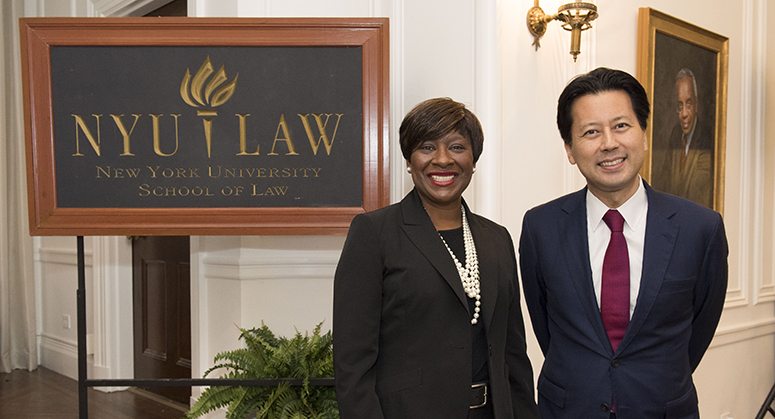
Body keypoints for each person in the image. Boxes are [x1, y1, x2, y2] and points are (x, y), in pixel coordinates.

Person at [519, 68, 728, 419]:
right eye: (590, 132)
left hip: (663, 409)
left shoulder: (700, 228)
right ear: (570, 149)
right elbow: (547, 326)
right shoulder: (541, 227)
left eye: (621, 126)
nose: (609, 143)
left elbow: (699, 328)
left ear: (644, 135)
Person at [333, 97, 539, 419]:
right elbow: (352, 365)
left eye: (457, 147)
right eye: (427, 147)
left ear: (473, 160)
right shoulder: (375, 233)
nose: (442, 160)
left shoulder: (497, 238)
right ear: (409, 159)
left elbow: (513, 356)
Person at [651, 68, 714, 208]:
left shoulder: (705, 140)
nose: (684, 113)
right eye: (680, 105)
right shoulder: (675, 135)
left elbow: (695, 192)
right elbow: (663, 181)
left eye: (689, 104)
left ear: (696, 104)